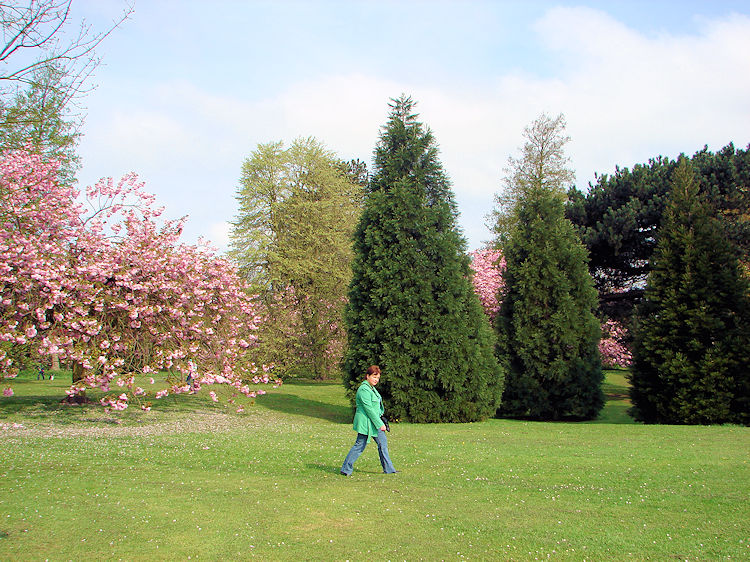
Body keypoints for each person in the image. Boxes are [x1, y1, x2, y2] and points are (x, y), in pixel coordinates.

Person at [340, 365, 397, 476]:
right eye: (374, 377)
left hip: (374, 421)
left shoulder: (371, 388)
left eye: (378, 378)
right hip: (366, 423)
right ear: (367, 376)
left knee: (383, 444)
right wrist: (380, 424)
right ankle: (346, 469)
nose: (376, 380)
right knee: (359, 446)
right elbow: (369, 409)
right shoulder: (363, 389)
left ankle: (389, 470)